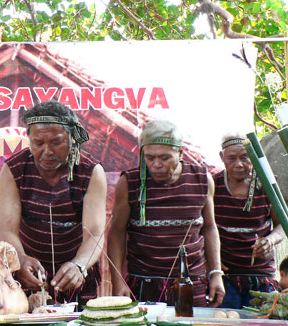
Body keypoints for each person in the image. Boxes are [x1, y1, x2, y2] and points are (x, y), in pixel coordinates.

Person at [0, 101, 107, 307]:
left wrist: (79, 266)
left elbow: (95, 232)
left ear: (72, 139)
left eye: (56, 142)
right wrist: (20, 260)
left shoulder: (91, 171)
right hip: (29, 274)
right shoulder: (14, 169)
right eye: (38, 143)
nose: (47, 151)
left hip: (77, 273)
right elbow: (7, 230)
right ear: (29, 139)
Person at [107, 119, 225, 307]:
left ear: (179, 153)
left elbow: (209, 228)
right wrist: (117, 280)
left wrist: (216, 273)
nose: (156, 164)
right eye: (150, 157)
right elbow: (117, 232)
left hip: (190, 283)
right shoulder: (130, 182)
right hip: (144, 284)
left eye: (164, 158)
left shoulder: (202, 180)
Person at [213, 133, 285, 308]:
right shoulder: (213, 185)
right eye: (232, 158)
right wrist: (212, 261)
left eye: (245, 157)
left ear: (252, 157)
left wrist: (269, 240)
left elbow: (283, 223)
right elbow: (205, 227)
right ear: (222, 157)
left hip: (261, 275)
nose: (239, 164)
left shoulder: (267, 184)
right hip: (225, 275)